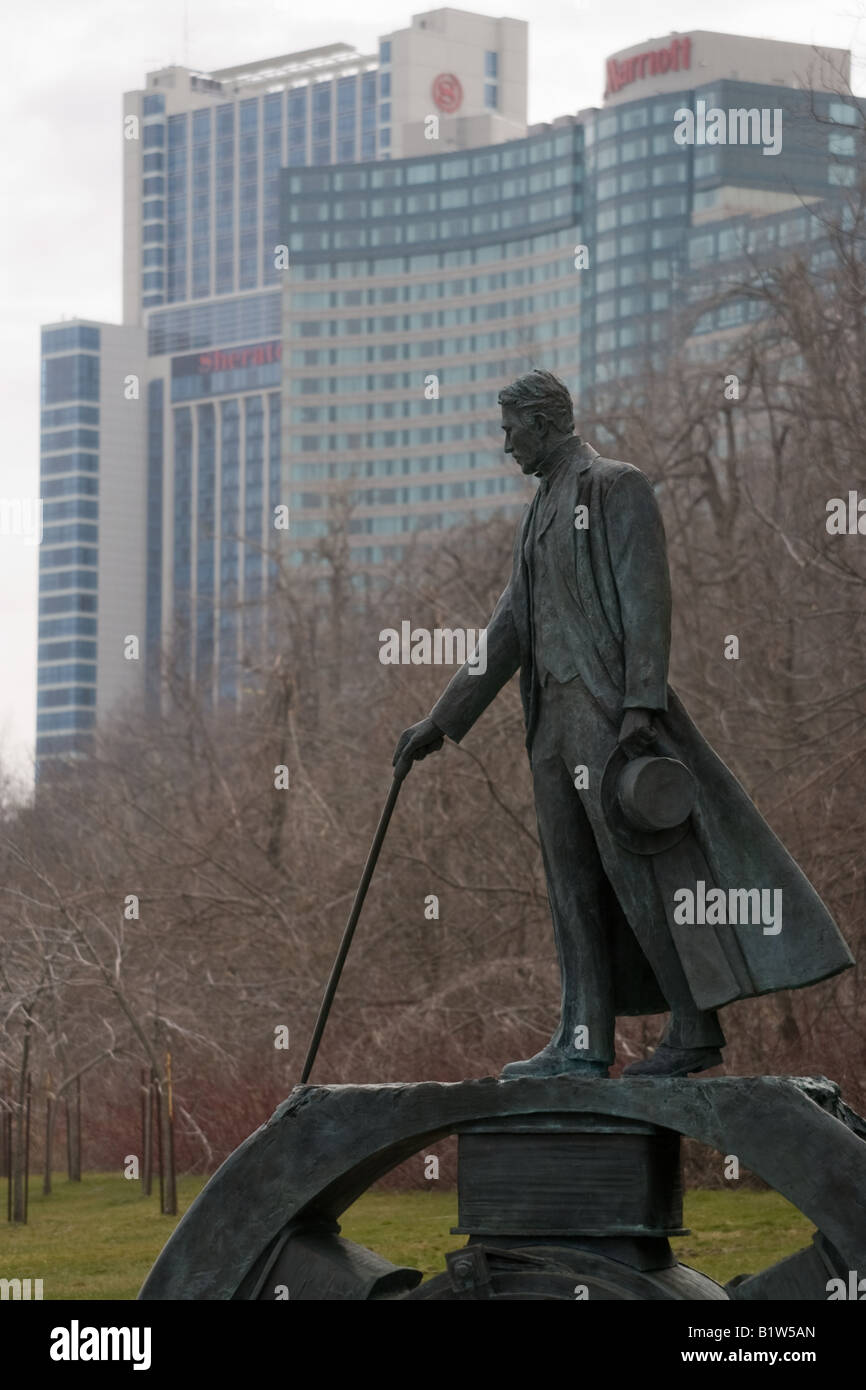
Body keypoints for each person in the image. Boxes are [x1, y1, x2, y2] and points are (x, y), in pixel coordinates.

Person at [393, 370, 853, 1079]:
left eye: (510, 428)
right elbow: (511, 626)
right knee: (572, 884)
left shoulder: (615, 486)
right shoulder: (539, 510)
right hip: (550, 726)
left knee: (643, 877)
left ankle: (694, 1027)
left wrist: (641, 704)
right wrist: (440, 721)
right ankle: (583, 1040)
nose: (504, 443)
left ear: (544, 423)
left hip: (608, 719)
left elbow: (647, 599)